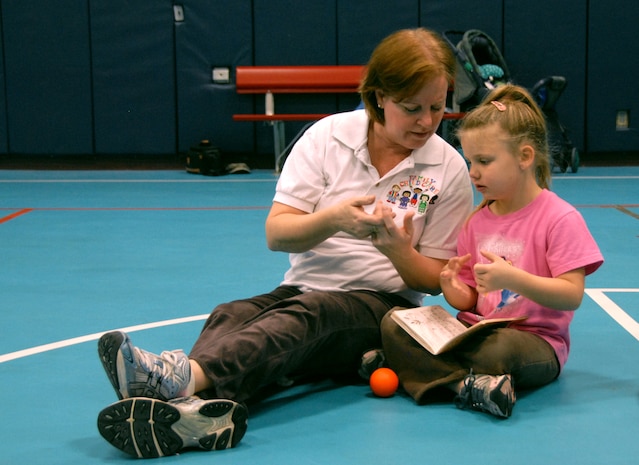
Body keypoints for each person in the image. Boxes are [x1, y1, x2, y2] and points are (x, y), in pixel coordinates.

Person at [95, 27, 474, 458]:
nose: (427, 121)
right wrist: (333, 220)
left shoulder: (448, 169)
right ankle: (197, 413)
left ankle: (175, 380)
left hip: (385, 311)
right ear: (378, 97)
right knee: (232, 314)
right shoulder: (326, 138)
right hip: (302, 289)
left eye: (438, 107)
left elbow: (434, 281)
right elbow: (277, 234)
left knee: (312, 314)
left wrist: (396, 250)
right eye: (412, 109)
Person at [378, 84, 604, 419]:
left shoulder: (560, 218)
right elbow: (471, 300)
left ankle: (412, 365)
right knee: (395, 322)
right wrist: (455, 289)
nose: (473, 172)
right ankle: (466, 387)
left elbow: (571, 295)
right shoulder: (476, 222)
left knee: (496, 351)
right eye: (470, 161)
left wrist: (515, 278)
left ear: (525, 157)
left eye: (484, 161)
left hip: (533, 342)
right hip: (473, 331)